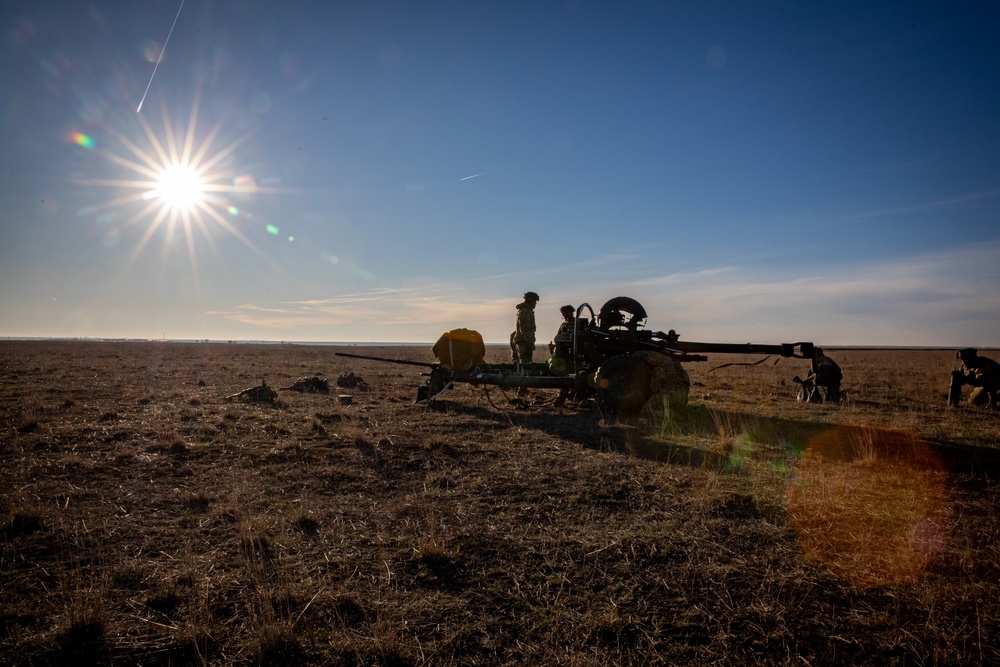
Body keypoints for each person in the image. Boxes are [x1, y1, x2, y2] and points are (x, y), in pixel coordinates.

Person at [509, 291, 539, 364]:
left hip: (523, 341)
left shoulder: (526, 311)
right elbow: (525, 330)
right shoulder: (525, 312)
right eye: (535, 301)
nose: (535, 304)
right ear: (531, 301)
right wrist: (530, 343)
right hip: (524, 343)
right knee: (525, 365)